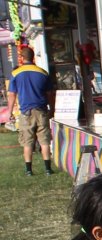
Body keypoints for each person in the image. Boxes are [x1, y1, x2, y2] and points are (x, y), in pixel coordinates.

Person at [8, 47, 54, 177]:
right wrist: (53, 108)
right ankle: (48, 169)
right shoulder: (43, 73)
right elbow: (50, 94)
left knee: (27, 141)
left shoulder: (16, 73)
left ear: (22, 58)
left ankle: (29, 170)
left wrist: (10, 112)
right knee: (44, 140)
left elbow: (12, 94)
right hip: (42, 111)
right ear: (33, 57)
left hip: (26, 112)